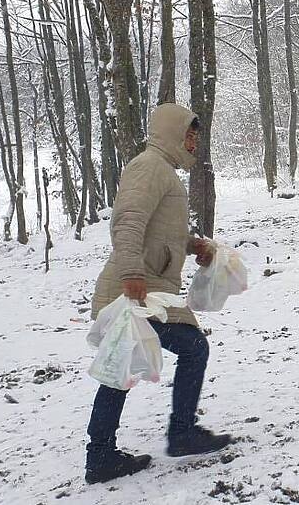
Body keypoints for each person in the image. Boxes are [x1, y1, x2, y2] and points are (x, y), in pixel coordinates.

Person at [85, 103, 231, 484]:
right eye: (190, 133)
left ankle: (101, 454)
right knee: (192, 347)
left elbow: (158, 233)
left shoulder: (162, 170)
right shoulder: (149, 167)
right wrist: (132, 271)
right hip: (134, 291)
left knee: (122, 367)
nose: (195, 141)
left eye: (196, 135)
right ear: (172, 132)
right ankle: (179, 433)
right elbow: (128, 222)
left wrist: (191, 245)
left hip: (146, 290)